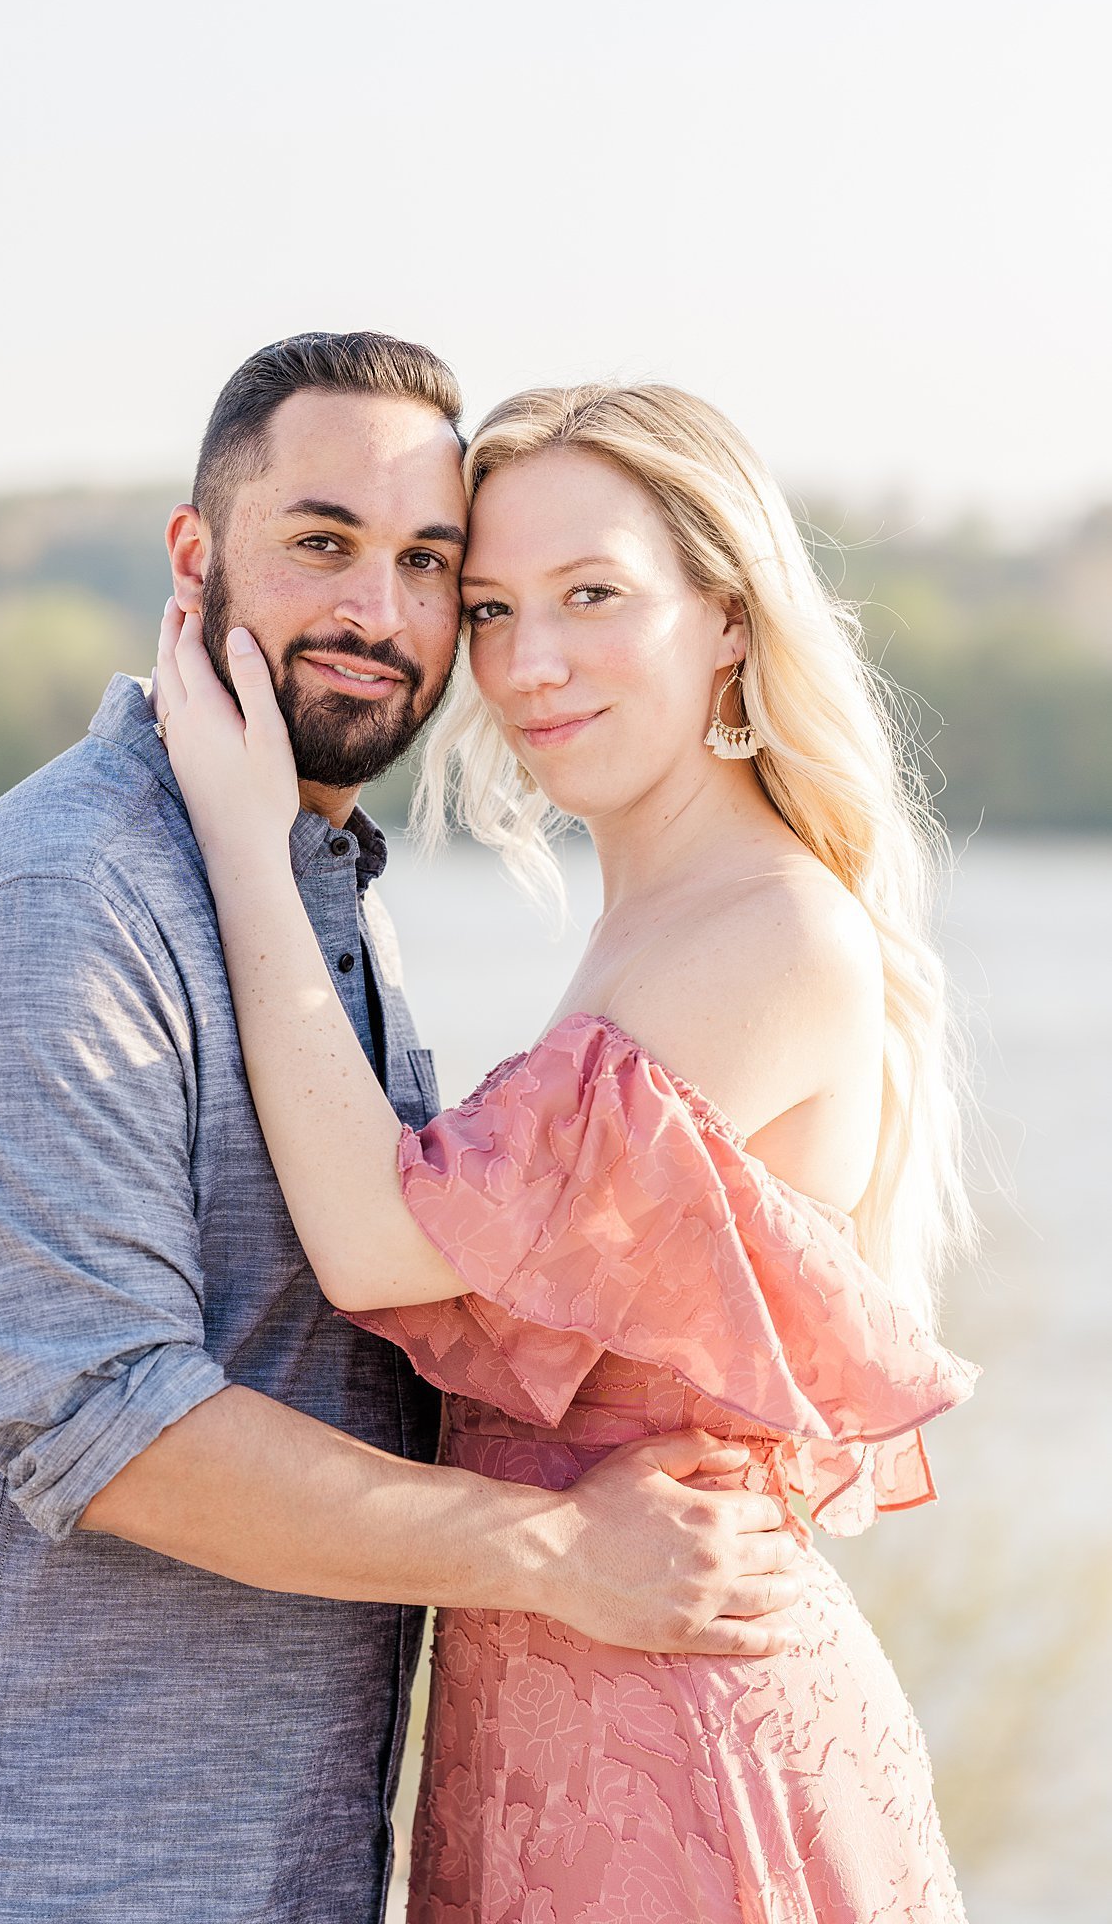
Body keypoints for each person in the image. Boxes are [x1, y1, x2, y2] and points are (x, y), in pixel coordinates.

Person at [0, 337, 804, 1924]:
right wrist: (562, 1552)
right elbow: (104, 1421)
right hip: (38, 1860)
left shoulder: (309, 891)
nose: (378, 615)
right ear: (197, 555)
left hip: (256, 1852)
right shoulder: (68, 905)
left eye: (428, 563)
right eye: (321, 543)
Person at [151, 378, 981, 1923]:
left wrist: (244, 844)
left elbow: (380, 1243)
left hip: (677, 1747)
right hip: (554, 1715)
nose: (526, 665)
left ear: (723, 616)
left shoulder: (766, 929)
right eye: (487, 608)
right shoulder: (647, 924)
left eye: (591, 595)